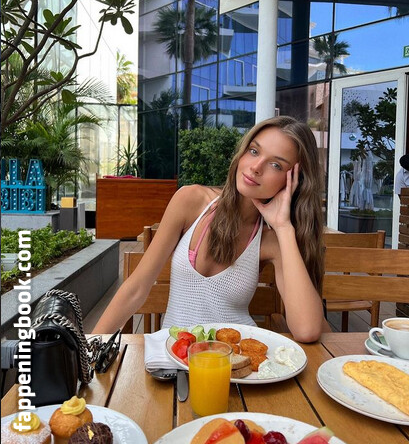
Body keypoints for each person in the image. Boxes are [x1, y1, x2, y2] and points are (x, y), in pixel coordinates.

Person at [93, 116, 325, 342]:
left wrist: (284, 227)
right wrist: (90, 347)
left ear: (295, 181)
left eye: (276, 165)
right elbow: (136, 288)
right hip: (173, 356)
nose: (256, 167)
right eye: (254, 151)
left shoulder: (272, 239)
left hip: (235, 359)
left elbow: (306, 330)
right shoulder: (190, 201)